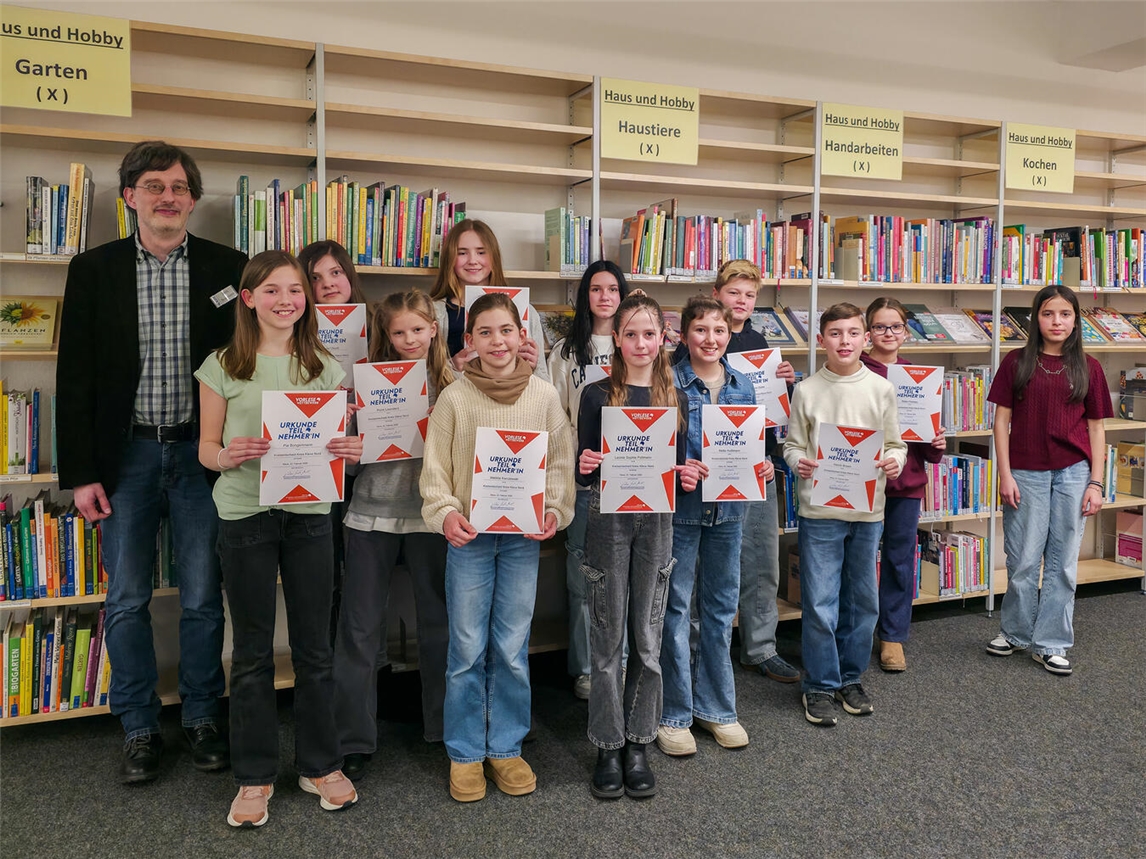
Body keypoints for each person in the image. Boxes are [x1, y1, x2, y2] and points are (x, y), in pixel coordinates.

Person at [55, 140, 247, 783]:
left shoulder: (230, 268)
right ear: (130, 196)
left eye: (180, 188)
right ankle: (138, 727)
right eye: (154, 186)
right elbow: (74, 377)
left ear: (193, 199)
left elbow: (251, 367)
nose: (168, 197)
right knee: (127, 599)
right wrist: (80, 472)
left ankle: (200, 717)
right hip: (125, 457)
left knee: (201, 596)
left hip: (202, 457)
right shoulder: (93, 269)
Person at [196, 250, 363, 827]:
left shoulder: (326, 368)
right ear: (249, 299)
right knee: (251, 652)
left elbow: (338, 443)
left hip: (310, 515)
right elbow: (205, 449)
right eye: (272, 290)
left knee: (316, 646)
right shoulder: (221, 365)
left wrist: (350, 449)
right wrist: (226, 455)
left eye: (296, 290)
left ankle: (321, 764)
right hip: (244, 514)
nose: (286, 299)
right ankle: (254, 776)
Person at [420, 292, 574, 803]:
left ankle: (506, 747)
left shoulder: (544, 396)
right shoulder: (455, 398)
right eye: (485, 332)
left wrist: (554, 509)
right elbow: (435, 470)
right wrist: (445, 514)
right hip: (470, 540)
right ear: (470, 342)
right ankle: (465, 753)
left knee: (510, 648)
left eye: (505, 330)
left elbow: (558, 464)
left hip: (520, 542)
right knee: (466, 648)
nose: (497, 341)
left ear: (521, 335)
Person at [577, 294, 697, 799]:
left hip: (659, 519)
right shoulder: (596, 394)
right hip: (609, 517)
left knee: (647, 635)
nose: (640, 343)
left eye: (649, 334)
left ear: (662, 340)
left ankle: (639, 740)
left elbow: (678, 467)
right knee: (607, 637)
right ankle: (607, 743)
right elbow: (587, 468)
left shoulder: (676, 396)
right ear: (617, 341)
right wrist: (587, 466)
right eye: (630, 334)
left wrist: (688, 474)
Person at [333, 289, 454, 780]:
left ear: (433, 330)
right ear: (386, 334)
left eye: (418, 330)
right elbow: (345, 456)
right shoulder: (364, 383)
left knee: (440, 625)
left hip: (431, 518)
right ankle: (353, 738)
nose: (408, 340)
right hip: (370, 516)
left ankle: (447, 729)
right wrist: (350, 448)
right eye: (398, 332)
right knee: (359, 631)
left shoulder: (453, 383)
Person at [673, 259, 799, 683]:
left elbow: (770, 412)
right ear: (716, 294)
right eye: (734, 293)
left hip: (753, 466)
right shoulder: (688, 348)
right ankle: (694, 658)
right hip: (701, 475)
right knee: (695, 575)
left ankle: (760, 647)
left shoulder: (762, 341)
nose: (742, 302)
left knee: (760, 559)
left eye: (750, 295)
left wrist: (786, 383)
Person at [658, 296, 773, 757]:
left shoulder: (744, 385)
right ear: (684, 335)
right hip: (682, 512)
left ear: (730, 335)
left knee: (723, 608)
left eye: (719, 331)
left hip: (730, 511)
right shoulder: (668, 381)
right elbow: (650, 452)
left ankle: (718, 708)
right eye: (701, 330)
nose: (710, 339)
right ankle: (675, 714)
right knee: (676, 608)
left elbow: (753, 446)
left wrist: (762, 465)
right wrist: (678, 466)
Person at [783, 303, 907, 727]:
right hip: (820, 509)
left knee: (862, 600)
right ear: (821, 340)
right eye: (835, 334)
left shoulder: (881, 389)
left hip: (868, 509)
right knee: (820, 601)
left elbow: (896, 444)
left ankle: (850, 678)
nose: (845, 342)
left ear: (865, 339)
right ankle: (819, 684)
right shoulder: (807, 390)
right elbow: (792, 445)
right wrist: (798, 462)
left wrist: (893, 461)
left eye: (853, 334)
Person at [985, 285, 1112, 675]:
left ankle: (1051, 642)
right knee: (1023, 559)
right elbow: (1001, 422)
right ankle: (1016, 632)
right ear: (1036, 319)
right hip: (1025, 472)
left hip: (1074, 473)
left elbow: (1096, 429)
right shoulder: (1016, 362)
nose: (1057, 322)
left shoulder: (1088, 367)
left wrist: (1096, 482)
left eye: (1065, 315)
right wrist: (1004, 475)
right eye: (1048, 314)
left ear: (1075, 320)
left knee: (1063, 563)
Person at [548, 260, 630, 700]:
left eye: (612, 288)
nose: (604, 297)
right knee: (583, 574)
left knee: (627, 574)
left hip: (634, 477)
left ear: (622, 294)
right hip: (582, 479)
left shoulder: (636, 342)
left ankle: (624, 660)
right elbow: (555, 414)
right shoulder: (564, 350)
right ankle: (584, 668)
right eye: (595, 289)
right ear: (585, 296)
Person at [861, 297, 946, 672]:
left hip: (907, 482)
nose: (888, 333)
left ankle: (892, 635)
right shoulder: (855, 370)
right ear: (867, 333)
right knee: (860, 562)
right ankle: (858, 630)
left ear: (906, 332)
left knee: (899, 560)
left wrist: (936, 443)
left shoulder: (919, 377)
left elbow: (927, 447)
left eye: (895, 326)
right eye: (880, 326)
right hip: (861, 480)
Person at [297, 240, 369, 643]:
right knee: (324, 568)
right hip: (316, 463)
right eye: (315, 277)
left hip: (370, 463)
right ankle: (324, 659)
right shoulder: (294, 331)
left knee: (361, 573)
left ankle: (362, 666)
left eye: (335, 272)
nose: (327, 284)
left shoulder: (375, 325)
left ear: (349, 276)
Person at [429, 218, 549, 380]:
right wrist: (451, 367)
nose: (472, 260)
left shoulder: (526, 310)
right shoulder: (434, 313)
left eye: (481, 252)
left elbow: (543, 381)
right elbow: (424, 380)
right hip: (460, 401)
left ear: (494, 257)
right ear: (450, 259)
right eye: (462, 253)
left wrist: (532, 368)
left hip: (513, 402)